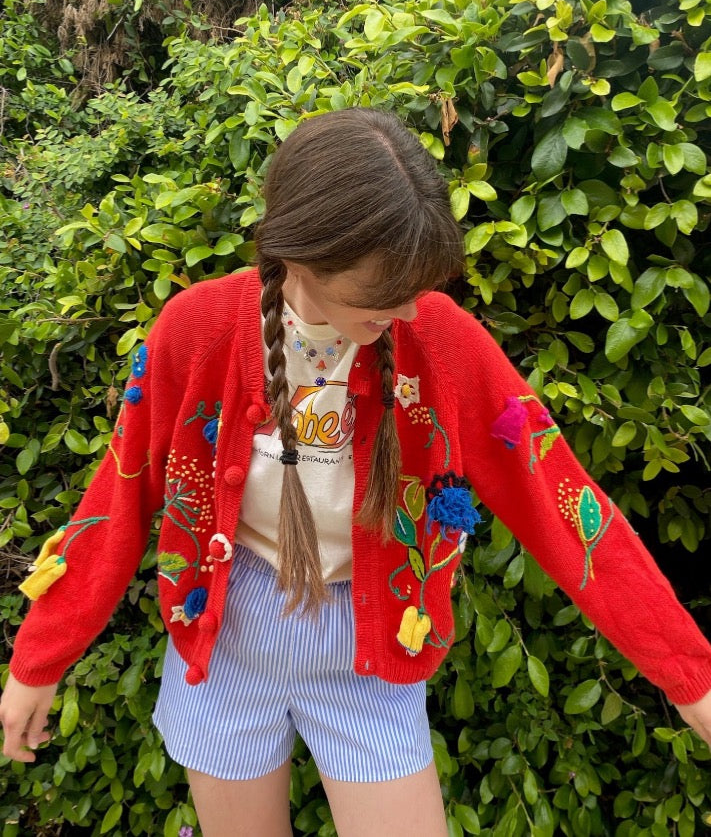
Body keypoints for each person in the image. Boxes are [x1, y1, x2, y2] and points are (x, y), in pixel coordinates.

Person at [2, 107, 711, 837]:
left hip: (374, 646)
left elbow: (560, 501)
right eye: (381, 296)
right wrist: (39, 658)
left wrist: (688, 674)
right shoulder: (197, 329)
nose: (408, 311)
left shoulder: (440, 341)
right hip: (224, 643)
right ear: (302, 255)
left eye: (415, 288)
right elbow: (118, 497)